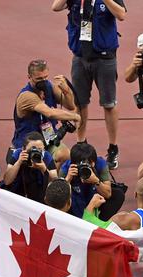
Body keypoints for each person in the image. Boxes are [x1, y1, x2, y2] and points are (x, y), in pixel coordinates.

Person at [51, 0, 126, 170]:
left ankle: (113, 148)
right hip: (80, 56)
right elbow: (55, 6)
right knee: (80, 103)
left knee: (109, 104)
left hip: (105, 57)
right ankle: (81, 142)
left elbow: (121, 15)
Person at [11, 59, 81, 170]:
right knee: (34, 165)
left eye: (45, 77)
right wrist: (75, 117)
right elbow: (50, 113)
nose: (43, 81)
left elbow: (70, 105)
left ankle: (52, 183)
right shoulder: (26, 96)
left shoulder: (49, 86)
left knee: (65, 155)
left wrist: (66, 90)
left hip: (48, 138)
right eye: (39, 79)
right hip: (29, 142)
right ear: (29, 77)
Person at [61, 142, 124, 221]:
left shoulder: (100, 164)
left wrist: (96, 181)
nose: (86, 166)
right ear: (73, 163)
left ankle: (99, 221)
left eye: (89, 163)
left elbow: (108, 194)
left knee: (118, 195)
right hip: (75, 201)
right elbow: (58, 197)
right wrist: (67, 180)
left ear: (94, 161)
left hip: (95, 197)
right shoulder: (66, 168)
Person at [3, 132, 59, 204]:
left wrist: (44, 169)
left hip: (40, 195)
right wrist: (18, 163)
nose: (35, 152)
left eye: (39, 150)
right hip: (19, 193)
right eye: (32, 149)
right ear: (23, 149)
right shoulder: (18, 154)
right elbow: (7, 181)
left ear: (44, 149)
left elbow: (54, 184)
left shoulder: (46, 157)